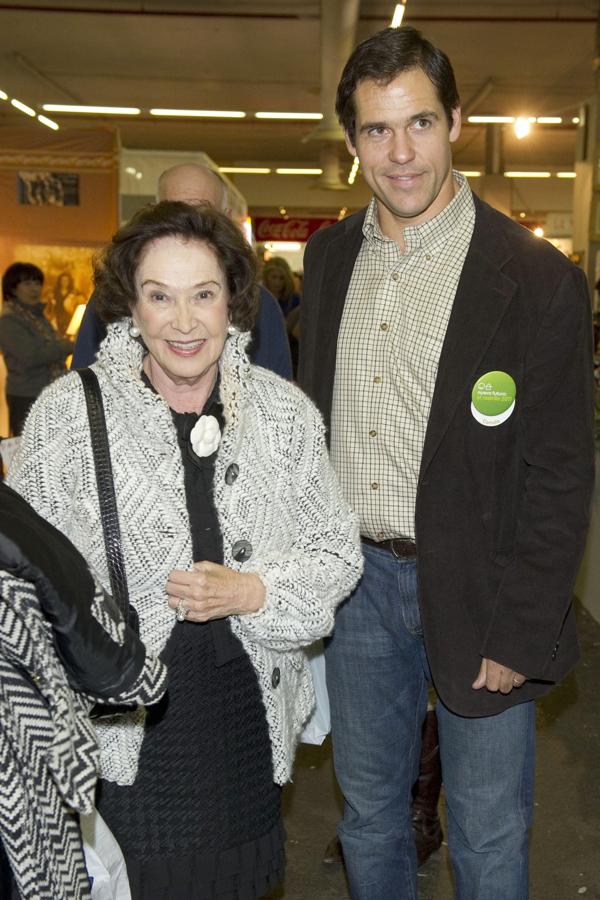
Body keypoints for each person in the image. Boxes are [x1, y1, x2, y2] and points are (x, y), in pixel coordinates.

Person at [298, 25, 595, 900]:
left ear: (456, 120)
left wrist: (522, 628)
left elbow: (559, 471)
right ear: (351, 143)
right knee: (369, 818)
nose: (401, 154)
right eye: (377, 131)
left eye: (420, 124)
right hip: (354, 590)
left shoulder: (534, 277)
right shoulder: (328, 257)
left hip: (481, 590)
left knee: (489, 828)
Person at [9, 200, 362, 899]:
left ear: (233, 301)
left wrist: (254, 592)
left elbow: (335, 550)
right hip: (122, 730)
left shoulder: (283, 414)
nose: (183, 321)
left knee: (240, 881)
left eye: (203, 295)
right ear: (128, 306)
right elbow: (24, 582)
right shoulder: (68, 416)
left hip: (244, 720)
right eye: (159, 296)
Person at [72, 163, 293, 380]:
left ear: (225, 218)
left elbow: (280, 399)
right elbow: (84, 390)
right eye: (159, 297)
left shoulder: (261, 306)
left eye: (200, 213)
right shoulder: (114, 298)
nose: (185, 227)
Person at [0, 262, 73, 435]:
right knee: (29, 452)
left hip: (48, 393)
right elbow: (30, 357)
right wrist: (65, 346)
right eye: (27, 284)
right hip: (27, 396)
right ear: (13, 289)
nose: (35, 289)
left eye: (38, 283)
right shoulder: (8, 321)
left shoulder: (38, 317)